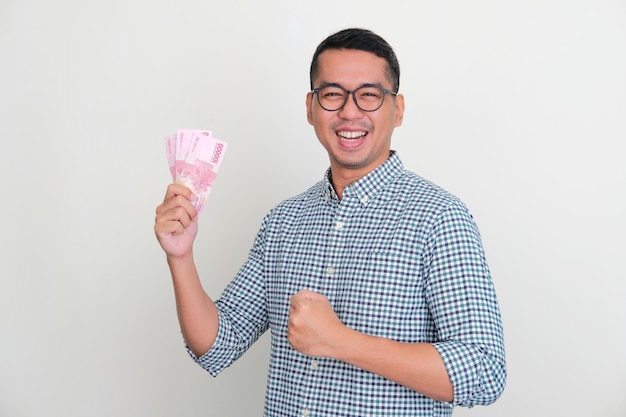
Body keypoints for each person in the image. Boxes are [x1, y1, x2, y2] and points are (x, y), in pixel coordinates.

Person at [155, 28, 506, 417]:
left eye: (369, 95)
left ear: (398, 109)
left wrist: (340, 341)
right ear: (311, 107)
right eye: (332, 94)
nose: (350, 112)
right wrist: (181, 257)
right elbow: (218, 345)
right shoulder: (283, 222)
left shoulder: (439, 218)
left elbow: (483, 372)